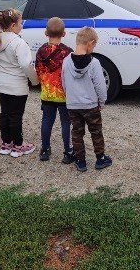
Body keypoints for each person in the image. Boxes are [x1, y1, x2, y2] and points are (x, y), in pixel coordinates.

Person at [0, 8, 39, 157]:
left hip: (2, 83)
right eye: (20, 23)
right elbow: (26, 64)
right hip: (17, 85)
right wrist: (34, 80)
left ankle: (6, 144)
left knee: (5, 114)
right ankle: (18, 146)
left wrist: (0, 67)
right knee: (16, 116)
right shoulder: (19, 42)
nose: (22, 26)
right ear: (13, 25)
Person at [61, 26, 112, 172]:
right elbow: (100, 85)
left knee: (77, 133)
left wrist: (68, 97)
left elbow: (63, 82)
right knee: (96, 132)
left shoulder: (66, 61)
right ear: (90, 43)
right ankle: (100, 158)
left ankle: (80, 160)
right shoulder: (94, 63)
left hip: (73, 105)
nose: (93, 49)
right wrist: (102, 101)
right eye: (94, 46)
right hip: (90, 105)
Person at [35, 17, 75, 163]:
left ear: (46, 33)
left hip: (47, 93)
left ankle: (45, 149)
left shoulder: (40, 51)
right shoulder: (68, 52)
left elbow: (38, 70)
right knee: (65, 122)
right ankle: (68, 152)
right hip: (63, 94)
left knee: (46, 120)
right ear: (64, 34)